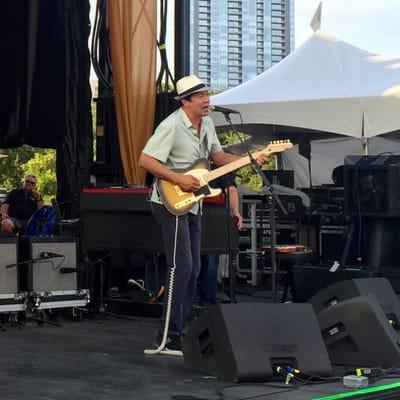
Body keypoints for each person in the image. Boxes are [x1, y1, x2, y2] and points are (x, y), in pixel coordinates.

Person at [138, 75, 268, 351]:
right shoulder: (171, 125)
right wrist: (179, 178)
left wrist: (250, 158)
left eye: (207, 94)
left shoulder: (207, 124)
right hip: (168, 201)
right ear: (186, 102)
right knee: (181, 266)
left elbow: (218, 158)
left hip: (193, 202)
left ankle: (179, 330)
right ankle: (168, 334)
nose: (207, 100)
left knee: (194, 267)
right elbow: (146, 160)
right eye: (200, 96)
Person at [198, 174, 242, 308]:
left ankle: (207, 302)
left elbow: (231, 189)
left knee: (211, 261)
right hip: (188, 213)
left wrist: (235, 211)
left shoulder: (218, 164)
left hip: (213, 216)